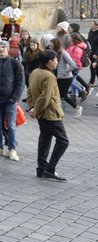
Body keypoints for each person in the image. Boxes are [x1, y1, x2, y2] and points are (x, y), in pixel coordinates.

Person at [27, 50, 70, 181]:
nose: (57, 62)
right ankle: (50, 168)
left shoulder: (35, 72)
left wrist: (32, 107)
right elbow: (45, 97)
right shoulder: (49, 76)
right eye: (56, 60)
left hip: (42, 114)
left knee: (45, 139)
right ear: (50, 61)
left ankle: (41, 169)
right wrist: (36, 110)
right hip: (50, 114)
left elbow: (30, 91)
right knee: (63, 141)